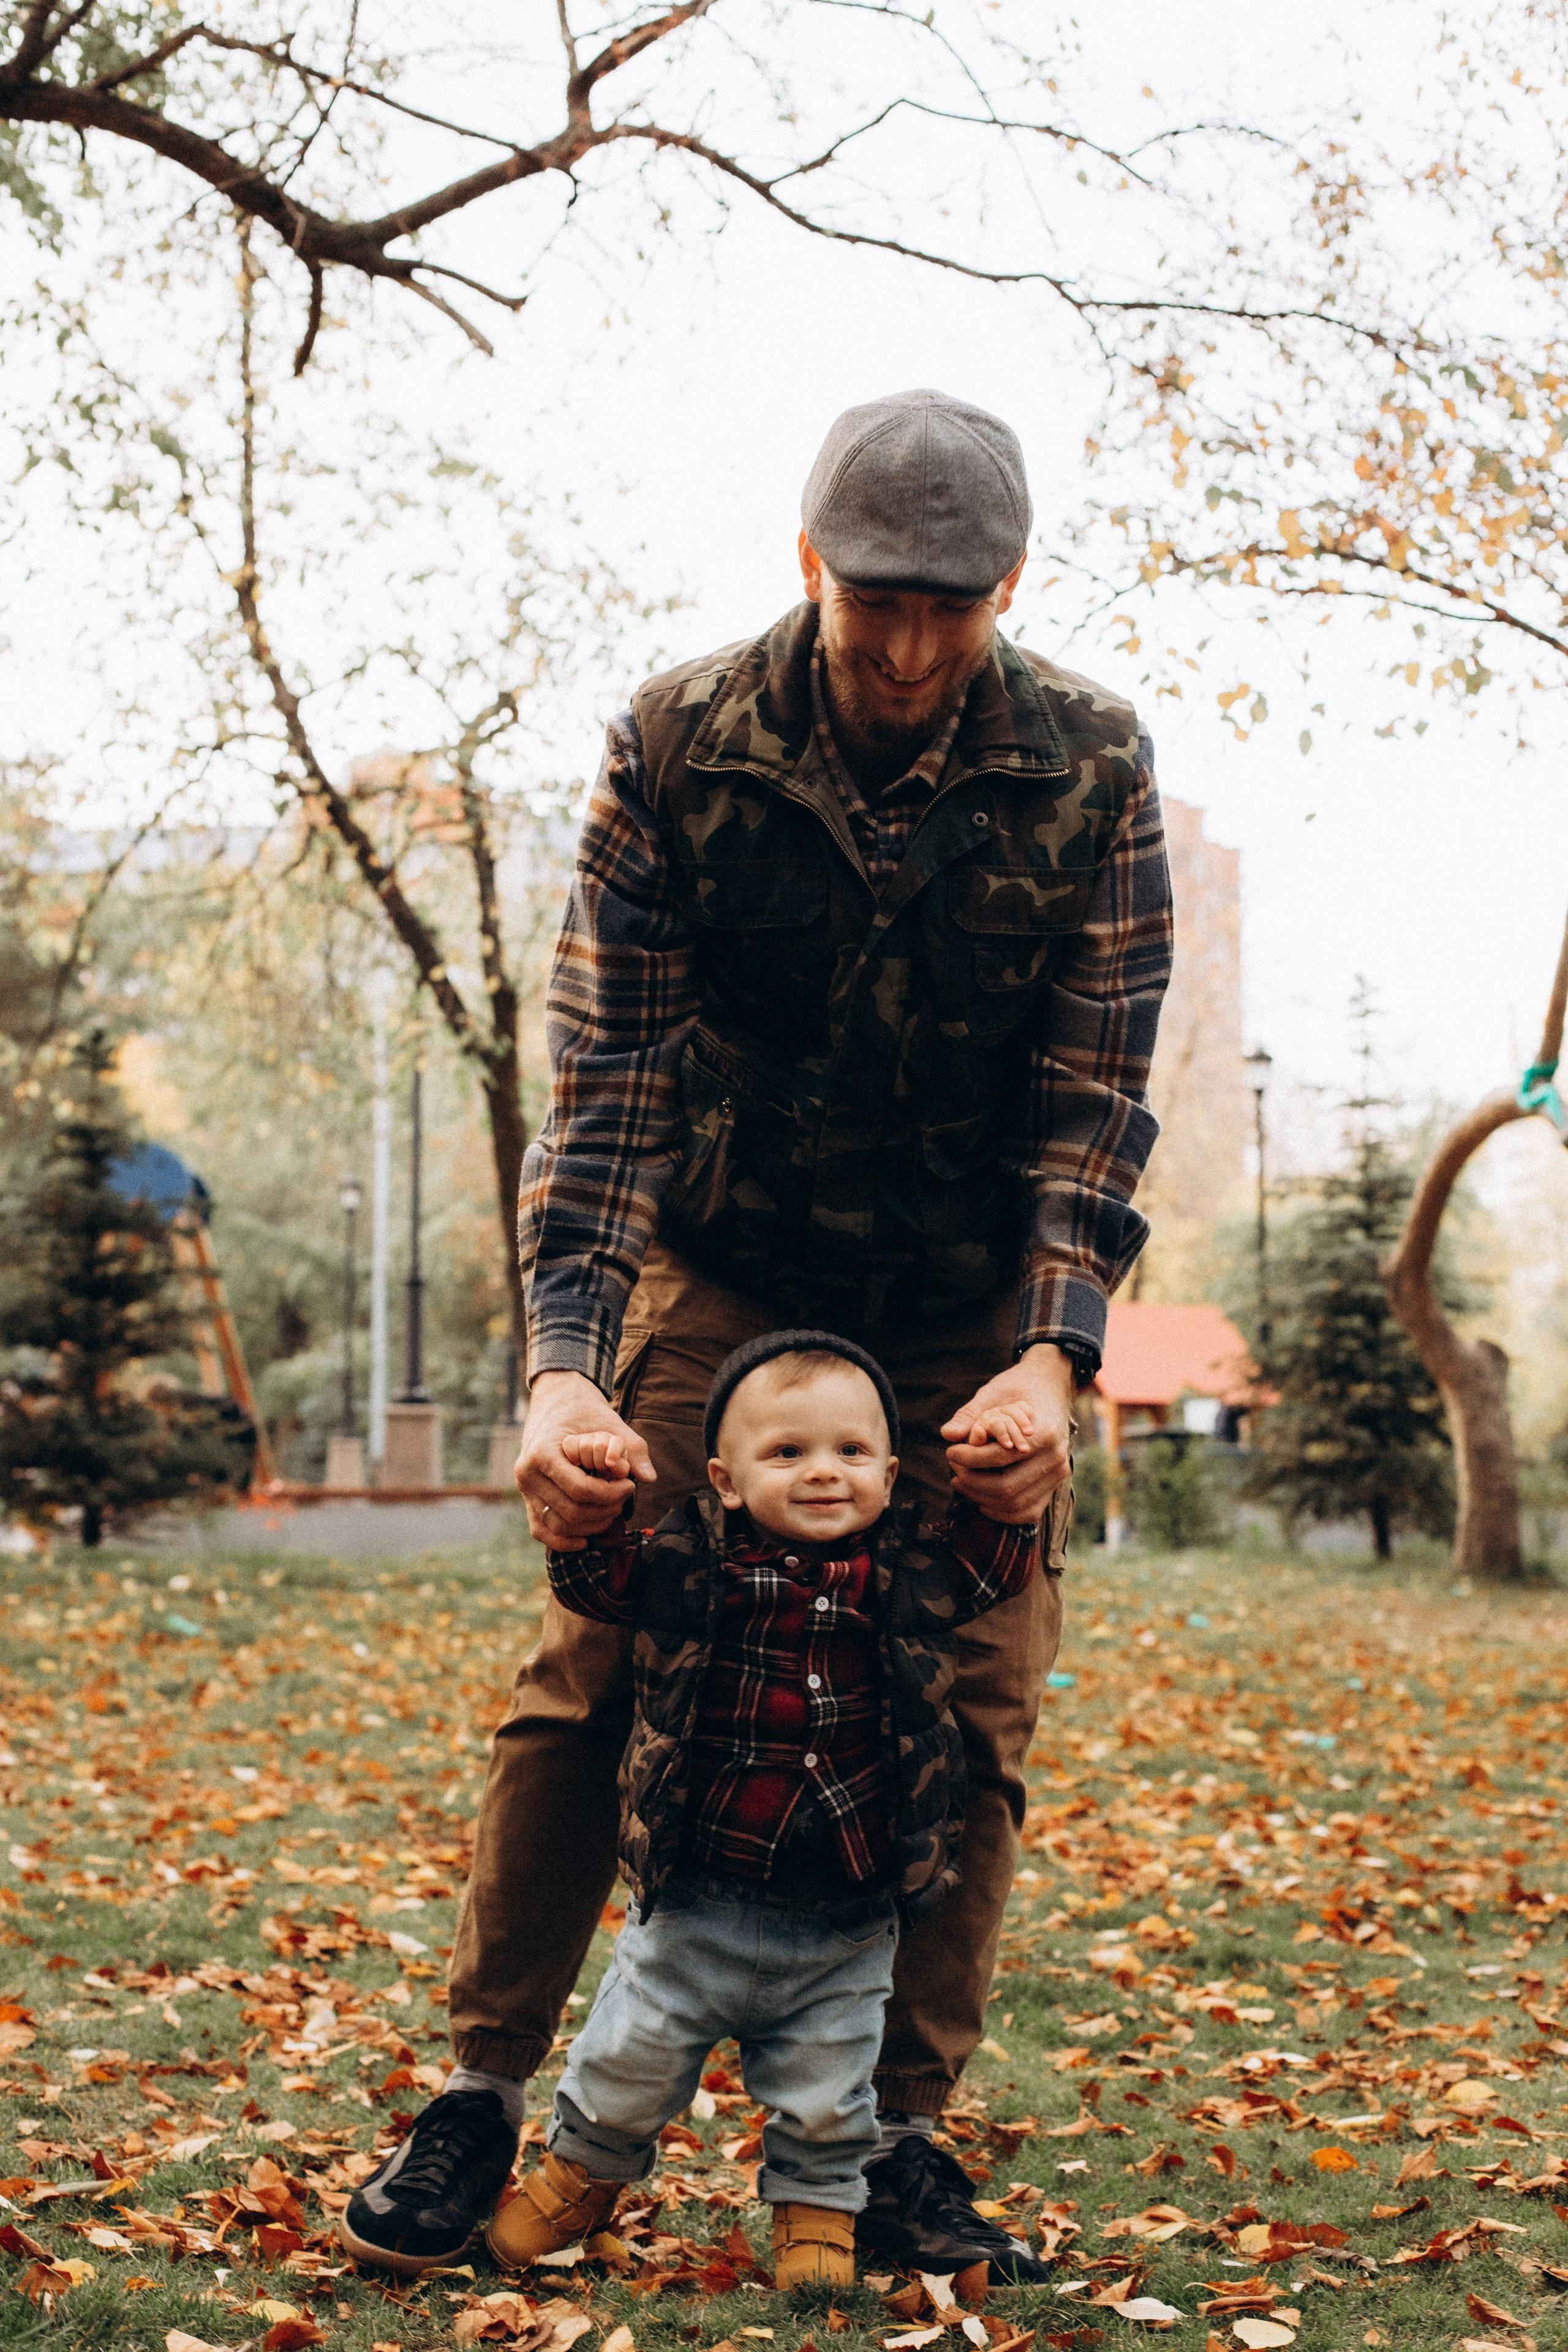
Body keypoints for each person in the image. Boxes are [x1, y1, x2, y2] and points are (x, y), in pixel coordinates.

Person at [340, 386, 1173, 2279]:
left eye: (947, 611)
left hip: (970, 1298)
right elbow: (610, 1076)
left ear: (1007, 591)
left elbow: (1094, 1097)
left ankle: (887, 2145)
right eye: (870, 598)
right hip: (721, 1268)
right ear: (808, 563)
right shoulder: (677, 741)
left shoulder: (1094, 766)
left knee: (975, 1696)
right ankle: (481, 2101)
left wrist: (1053, 1358)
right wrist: (564, 1360)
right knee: (593, 1662)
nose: (900, 648)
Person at [477, 1332, 1042, 2288]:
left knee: (830, 2088)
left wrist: (999, 1484)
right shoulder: (694, 1563)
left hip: (850, 1910)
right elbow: (600, 1583)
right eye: (788, 1454)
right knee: (629, 2061)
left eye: (851, 1453)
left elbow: (995, 1570)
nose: (824, 1474)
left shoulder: (913, 1571)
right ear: (727, 1480)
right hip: (700, 1895)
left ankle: (818, 2217)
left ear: (893, 1472)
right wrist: (599, 1510)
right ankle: (583, 2176)